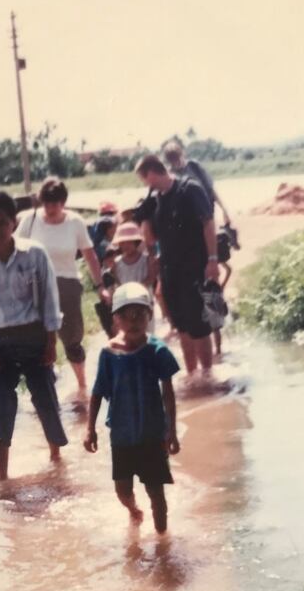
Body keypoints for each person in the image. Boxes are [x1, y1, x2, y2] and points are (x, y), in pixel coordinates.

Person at [0, 190, 68, 482]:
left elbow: (49, 301)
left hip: (34, 338)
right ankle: (2, 479)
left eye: (2, 223)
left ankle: (57, 462)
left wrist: (51, 342)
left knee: (46, 401)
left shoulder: (35, 254)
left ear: (13, 223)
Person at [84, 282, 180, 534]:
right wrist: (90, 429)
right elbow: (97, 392)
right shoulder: (109, 354)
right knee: (122, 489)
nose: (134, 320)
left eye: (140, 314)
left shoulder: (158, 351)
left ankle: (162, 540)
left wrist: (172, 431)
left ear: (150, 315)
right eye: (126, 315)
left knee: (156, 492)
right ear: (116, 319)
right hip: (122, 435)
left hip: (152, 433)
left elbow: (168, 394)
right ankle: (133, 510)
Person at [16, 177, 110, 406]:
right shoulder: (30, 220)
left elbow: (90, 255)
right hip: (35, 285)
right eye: (46, 203)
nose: (50, 208)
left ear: (63, 202)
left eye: (55, 203)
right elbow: (15, 250)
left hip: (67, 283)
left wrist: (100, 287)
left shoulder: (75, 222)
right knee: (37, 341)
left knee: (72, 339)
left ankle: (82, 387)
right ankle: (44, 392)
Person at [135, 153, 219, 374]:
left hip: (194, 266)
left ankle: (208, 374)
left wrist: (212, 260)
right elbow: (151, 240)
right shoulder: (156, 199)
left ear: (152, 174)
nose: (145, 185)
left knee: (199, 326)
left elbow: (208, 224)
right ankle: (192, 374)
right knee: (181, 326)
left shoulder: (190, 189)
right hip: (170, 270)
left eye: (144, 179)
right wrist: (144, 216)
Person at [162, 140, 233, 227]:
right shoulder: (170, 174)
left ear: (182, 154)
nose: (177, 163)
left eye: (178, 158)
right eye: (173, 161)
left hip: (206, 212)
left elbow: (210, 189)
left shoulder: (194, 166)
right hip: (187, 219)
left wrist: (224, 209)